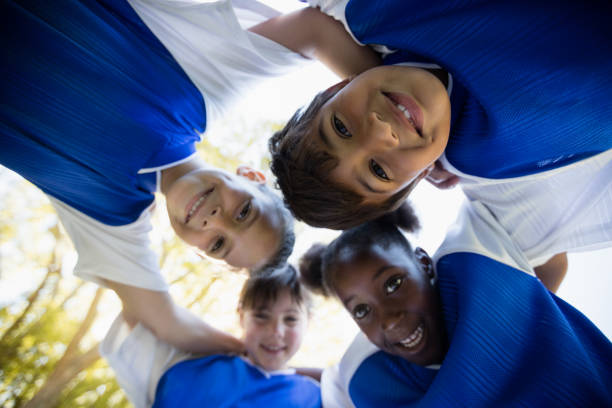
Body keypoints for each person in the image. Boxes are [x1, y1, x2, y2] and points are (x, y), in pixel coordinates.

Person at [0, 0, 379, 353]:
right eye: (244, 212)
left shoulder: (109, 211)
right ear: (251, 176)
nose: (215, 220)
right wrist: (417, 159)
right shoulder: (202, 87)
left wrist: (255, 354)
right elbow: (316, 31)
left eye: (217, 244)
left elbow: (165, 320)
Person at [269, 0, 612, 289]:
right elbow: (546, 270)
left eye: (341, 127)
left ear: (334, 89)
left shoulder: (373, 13)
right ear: (419, 178)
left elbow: (308, 26)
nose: (380, 132)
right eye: (377, 169)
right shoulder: (495, 174)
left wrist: (361, 67)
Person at [299, 203, 612, 407]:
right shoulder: (364, 375)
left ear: (424, 263)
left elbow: (552, 259)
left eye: (394, 284)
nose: (390, 320)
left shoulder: (474, 256)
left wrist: (528, 316)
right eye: (362, 310)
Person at [101, 264, 321, 408]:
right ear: (241, 315)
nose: (276, 332)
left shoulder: (316, 397)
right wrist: (231, 344)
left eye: (291, 319)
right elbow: (136, 308)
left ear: (309, 321)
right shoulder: (188, 365)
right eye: (261, 316)